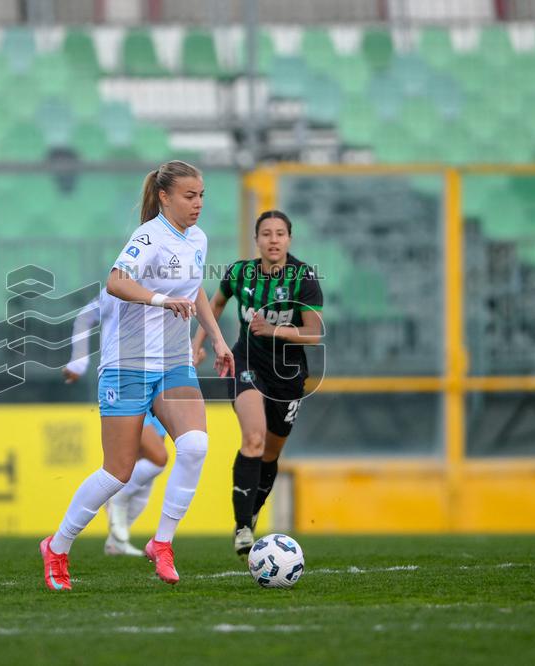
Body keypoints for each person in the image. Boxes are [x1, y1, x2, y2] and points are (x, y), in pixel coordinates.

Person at [40, 160, 234, 590]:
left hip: (173, 362)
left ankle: (161, 543)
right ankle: (58, 546)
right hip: (127, 362)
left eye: (201, 195)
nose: (198, 203)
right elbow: (115, 281)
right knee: (118, 472)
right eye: (189, 195)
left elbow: (196, 289)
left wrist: (217, 339)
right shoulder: (148, 235)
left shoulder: (197, 238)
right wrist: (162, 300)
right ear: (164, 197)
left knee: (196, 445)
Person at [192, 210, 323, 557]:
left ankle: (252, 511)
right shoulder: (239, 273)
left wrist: (273, 330)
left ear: (289, 239)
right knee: (253, 437)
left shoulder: (303, 276)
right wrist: (198, 344)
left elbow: (314, 332)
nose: (274, 239)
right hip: (247, 362)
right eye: (267, 233)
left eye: (280, 233)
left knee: (270, 452)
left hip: (288, 374)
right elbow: (213, 304)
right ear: (257, 239)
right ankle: (242, 527)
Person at [62, 291, 169, 557]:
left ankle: (116, 540)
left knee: (149, 469)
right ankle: (117, 499)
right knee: (157, 457)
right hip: (126, 378)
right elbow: (85, 316)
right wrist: (79, 360)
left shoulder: (170, 280)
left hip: (161, 377)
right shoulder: (122, 284)